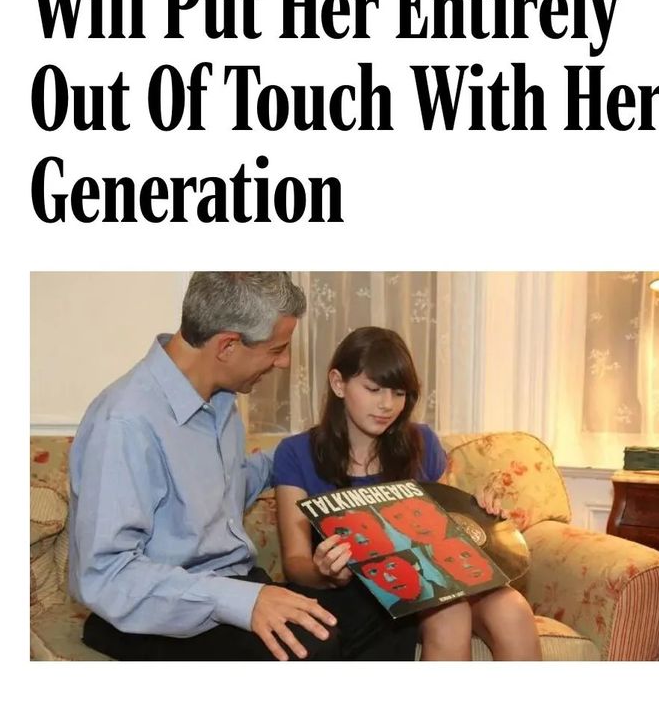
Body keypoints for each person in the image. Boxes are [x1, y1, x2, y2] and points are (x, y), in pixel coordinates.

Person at [69, 273, 415, 662]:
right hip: (157, 613)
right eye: (277, 349)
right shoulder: (125, 422)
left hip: (228, 587)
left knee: (389, 612)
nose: (283, 363)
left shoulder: (219, 405)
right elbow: (108, 576)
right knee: (310, 647)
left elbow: (224, 485)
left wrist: (323, 447)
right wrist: (241, 599)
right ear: (228, 345)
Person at [273, 326, 542, 660]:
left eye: (398, 393)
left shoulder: (422, 443)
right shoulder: (296, 453)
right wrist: (324, 572)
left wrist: (481, 520)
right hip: (358, 593)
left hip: (435, 581)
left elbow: (449, 534)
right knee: (451, 611)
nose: (387, 405)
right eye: (373, 389)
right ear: (338, 383)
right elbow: (295, 562)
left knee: (513, 608)